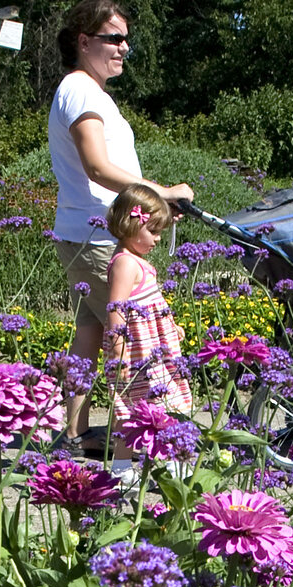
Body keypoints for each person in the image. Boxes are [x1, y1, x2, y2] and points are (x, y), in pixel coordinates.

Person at [48, 0, 191, 442]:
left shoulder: (91, 92)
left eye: (127, 39)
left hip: (87, 232)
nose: (124, 47)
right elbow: (96, 166)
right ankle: (143, 430)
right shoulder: (80, 89)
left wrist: (150, 212)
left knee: (89, 335)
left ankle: (75, 434)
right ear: (84, 41)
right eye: (114, 38)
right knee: (130, 335)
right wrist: (160, 194)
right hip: (96, 237)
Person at [99, 184, 193, 481]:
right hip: (136, 352)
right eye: (153, 231)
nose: (158, 238)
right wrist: (118, 347)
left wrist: (170, 324)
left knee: (156, 403)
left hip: (154, 349)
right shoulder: (125, 263)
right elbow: (116, 306)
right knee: (140, 408)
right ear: (131, 224)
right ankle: (128, 468)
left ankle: (148, 464)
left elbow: (151, 301)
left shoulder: (136, 259)